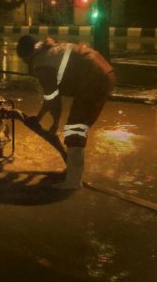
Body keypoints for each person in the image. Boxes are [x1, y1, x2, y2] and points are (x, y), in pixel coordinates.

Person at [16, 35, 115, 189]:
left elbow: (53, 99)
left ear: (28, 56)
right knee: (75, 125)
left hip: (93, 77)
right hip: (101, 70)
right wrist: (40, 116)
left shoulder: (42, 63)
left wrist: (55, 124)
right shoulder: (49, 51)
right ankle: (73, 172)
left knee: (75, 128)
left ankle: (73, 181)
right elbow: (51, 96)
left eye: (24, 60)